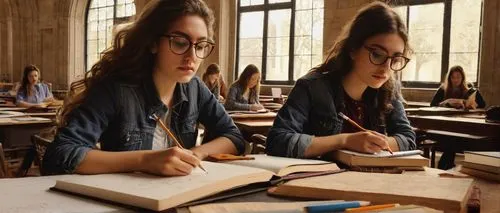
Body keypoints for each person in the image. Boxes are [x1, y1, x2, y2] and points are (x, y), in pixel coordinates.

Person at [43, 0, 244, 176]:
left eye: (200, 46)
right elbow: (61, 154)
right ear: (153, 43)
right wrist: (145, 161)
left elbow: (234, 137)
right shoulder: (116, 89)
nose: (192, 56)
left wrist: (194, 154)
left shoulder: (195, 88)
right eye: (180, 43)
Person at [266, 2, 416, 159]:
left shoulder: (389, 89)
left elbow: (408, 139)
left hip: (371, 180)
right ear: (353, 49)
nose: (386, 68)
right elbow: (277, 141)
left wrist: (373, 142)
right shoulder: (312, 86)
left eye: (396, 59)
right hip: (318, 180)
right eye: (377, 54)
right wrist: (344, 141)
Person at [430, 65, 486, 170]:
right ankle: (446, 164)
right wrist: (446, 102)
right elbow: (432, 105)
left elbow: (483, 105)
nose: (455, 80)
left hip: (464, 125)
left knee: (455, 137)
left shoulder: (470, 90)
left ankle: (445, 164)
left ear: (463, 78)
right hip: (443, 125)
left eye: (458, 77)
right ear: (449, 78)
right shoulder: (443, 89)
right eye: (453, 77)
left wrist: (468, 103)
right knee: (451, 137)